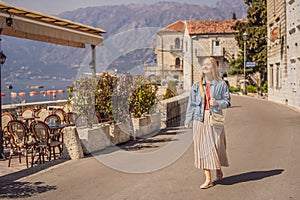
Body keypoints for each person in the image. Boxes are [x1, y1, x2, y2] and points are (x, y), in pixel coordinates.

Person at [185, 57, 231, 189]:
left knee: (216, 146)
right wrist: (188, 119)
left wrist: (217, 103)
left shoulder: (221, 84)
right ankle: (208, 179)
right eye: (204, 64)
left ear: (214, 68)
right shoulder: (196, 86)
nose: (205, 67)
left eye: (208, 64)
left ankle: (218, 168)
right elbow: (192, 104)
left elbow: (227, 102)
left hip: (215, 118)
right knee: (202, 148)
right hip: (200, 119)